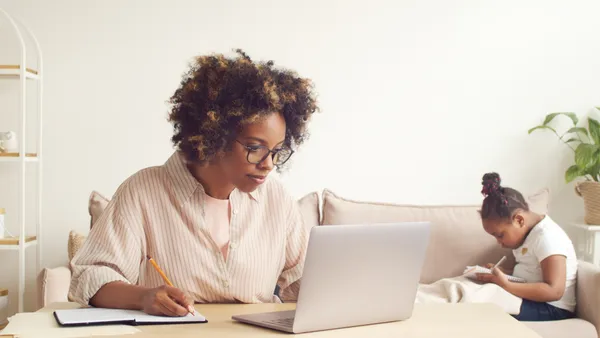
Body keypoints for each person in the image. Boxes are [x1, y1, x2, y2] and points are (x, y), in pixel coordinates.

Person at [68, 49, 318, 317]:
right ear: (214, 134)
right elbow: (91, 275)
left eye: (277, 150)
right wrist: (143, 297)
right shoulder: (143, 191)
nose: (268, 164)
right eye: (255, 148)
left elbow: (304, 283)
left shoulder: (276, 198)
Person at [476, 172, 577, 321]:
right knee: (474, 291)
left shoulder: (547, 237)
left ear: (519, 220)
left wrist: (506, 285)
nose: (499, 242)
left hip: (552, 308)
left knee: (481, 308)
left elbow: (554, 291)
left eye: (500, 235)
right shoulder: (527, 234)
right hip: (533, 301)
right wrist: (504, 274)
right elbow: (533, 272)